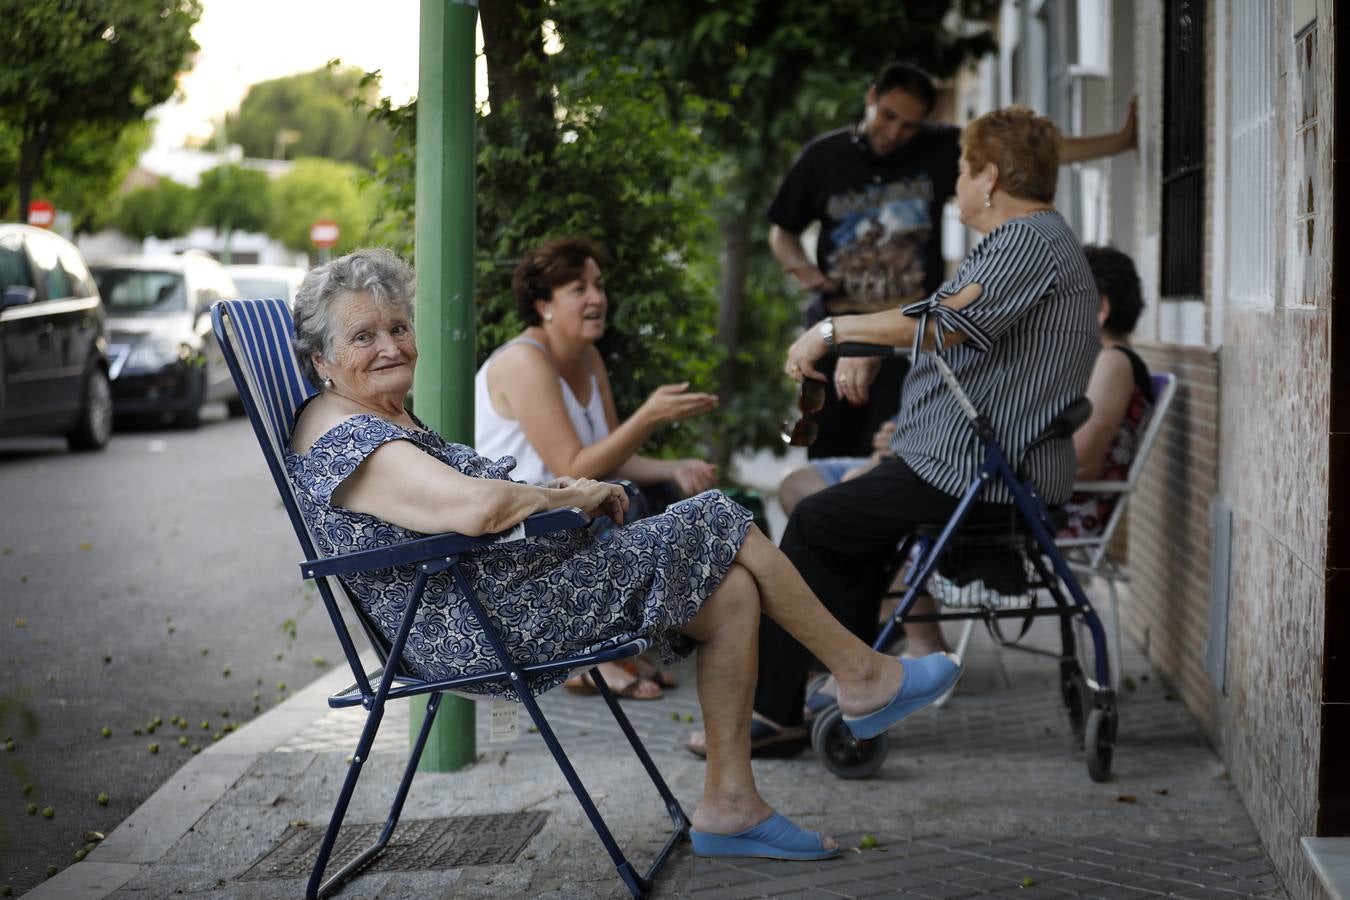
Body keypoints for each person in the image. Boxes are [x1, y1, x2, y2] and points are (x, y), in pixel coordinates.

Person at [284, 247, 963, 860]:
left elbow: (476, 501)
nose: (390, 346)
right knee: (719, 516)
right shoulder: (344, 438)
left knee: (729, 591)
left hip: (503, 594)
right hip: (478, 626)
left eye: (397, 328)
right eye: (363, 336)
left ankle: (731, 805)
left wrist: (566, 492)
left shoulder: (378, 413)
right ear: (321, 361)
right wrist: (568, 499)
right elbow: (477, 509)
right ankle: (861, 675)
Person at [745, 105, 1102, 756]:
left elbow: (943, 325)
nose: (957, 185)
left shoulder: (1027, 241)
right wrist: (869, 346)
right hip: (959, 459)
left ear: (989, 176)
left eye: (963, 172)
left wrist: (833, 330)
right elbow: (942, 319)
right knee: (841, 526)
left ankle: (789, 707)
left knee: (817, 524)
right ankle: (844, 685)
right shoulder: (1026, 242)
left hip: (979, 469)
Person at [767, 60, 1136, 462]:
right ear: (871, 97)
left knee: (888, 451)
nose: (894, 133)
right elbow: (782, 230)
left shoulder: (940, 152)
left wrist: (1117, 142)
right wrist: (801, 270)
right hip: (841, 323)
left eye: (909, 125)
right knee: (828, 457)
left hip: (907, 329)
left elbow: (1028, 153)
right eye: (888, 116)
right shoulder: (824, 157)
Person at [475, 236, 718, 698]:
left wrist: (676, 466)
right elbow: (573, 463)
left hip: (574, 507)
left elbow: (611, 456)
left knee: (654, 498)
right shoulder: (523, 361)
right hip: (522, 530)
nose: (597, 298)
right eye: (579, 289)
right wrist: (648, 417)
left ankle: (620, 650)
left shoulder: (587, 357)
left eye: (599, 286)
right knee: (630, 501)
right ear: (544, 304)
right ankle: (595, 659)